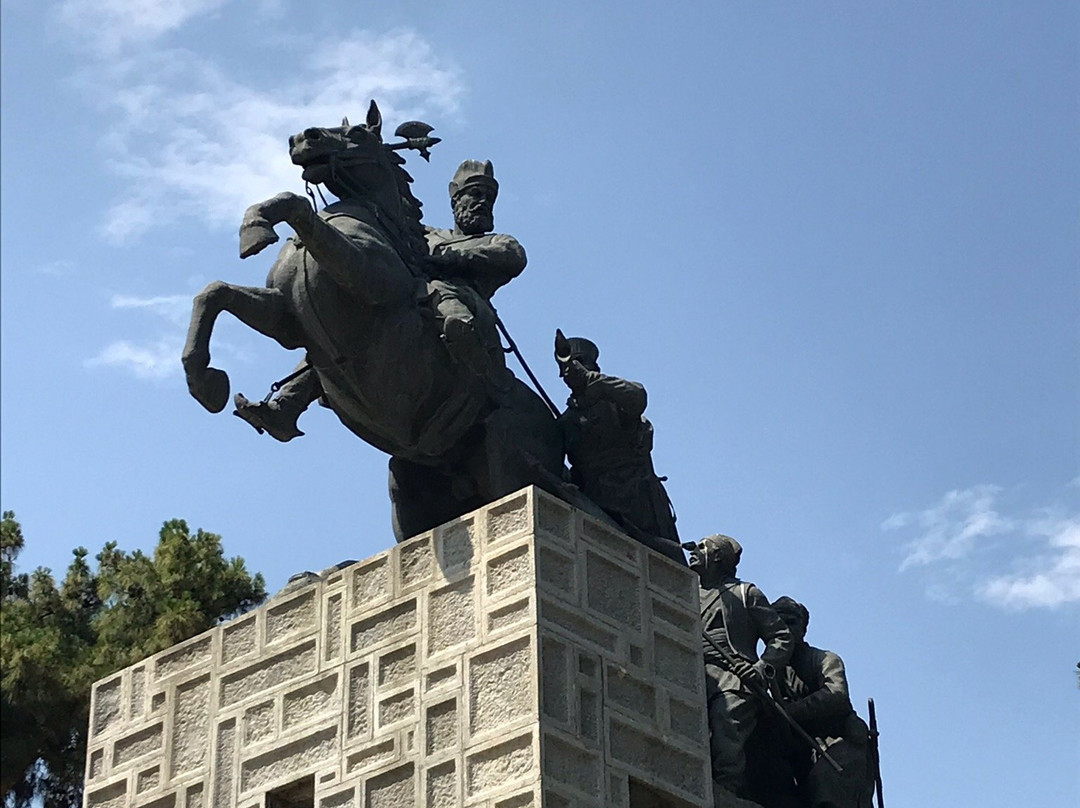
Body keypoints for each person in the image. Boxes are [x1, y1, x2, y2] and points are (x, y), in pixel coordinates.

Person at [233, 159, 525, 440]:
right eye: (474, 194)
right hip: (411, 299)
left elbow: (512, 258)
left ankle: (467, 348)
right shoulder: (427, 235)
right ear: (456, 200)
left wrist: (451, 259)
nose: (482, 202)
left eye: (488, 197)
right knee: (335, 334)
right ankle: (287, 406)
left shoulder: (497, 240)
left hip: (463, 300)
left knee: (440, 291)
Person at [554, 332, 682, 563]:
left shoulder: (614, 398)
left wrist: (593, 381)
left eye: (580, 364)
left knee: (668, 566)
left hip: (638, 499)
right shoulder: (566, 421)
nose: (570, 371)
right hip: (599, 503)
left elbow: (638, 397)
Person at [688, 534, 792, 801]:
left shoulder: (746, 593)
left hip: (734, 675)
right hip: (692, 669)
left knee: (727, 724)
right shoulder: (685, 591)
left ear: (718, 556)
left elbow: (781, 636)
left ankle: (725, 791)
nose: (693, 550)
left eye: (701, 546)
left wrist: (761, 668)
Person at [771, 596, 875, 808]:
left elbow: (836, 695)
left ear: (803, 629)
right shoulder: (773, 668)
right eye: (779, 624)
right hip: (801, 744)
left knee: (825, 786)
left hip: (838, 740)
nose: (786, 630)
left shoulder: (824, 659)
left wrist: (792, 711)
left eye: (791, 623)